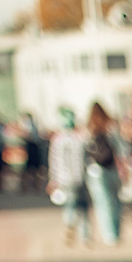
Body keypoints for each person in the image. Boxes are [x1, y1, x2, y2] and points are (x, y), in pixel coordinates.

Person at [46, 109, 91, 245]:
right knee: (83, 206)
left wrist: (53, 180)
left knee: (69, 205)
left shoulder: (57, 140)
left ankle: (69, 223)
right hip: (80, 177)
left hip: (63, 178)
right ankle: (85, 236)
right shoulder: (80, 138)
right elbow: (87, 159)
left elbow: (53, 162)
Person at [83, 101, 124, 244]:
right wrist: (123, 168)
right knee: (115, 201)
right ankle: (116, 231)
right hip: (112, 168)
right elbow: (122, 149)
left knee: (102, 203)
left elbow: (85, 152)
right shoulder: (111, 126)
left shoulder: (88, 128)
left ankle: (109, 235)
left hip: (95, 171)